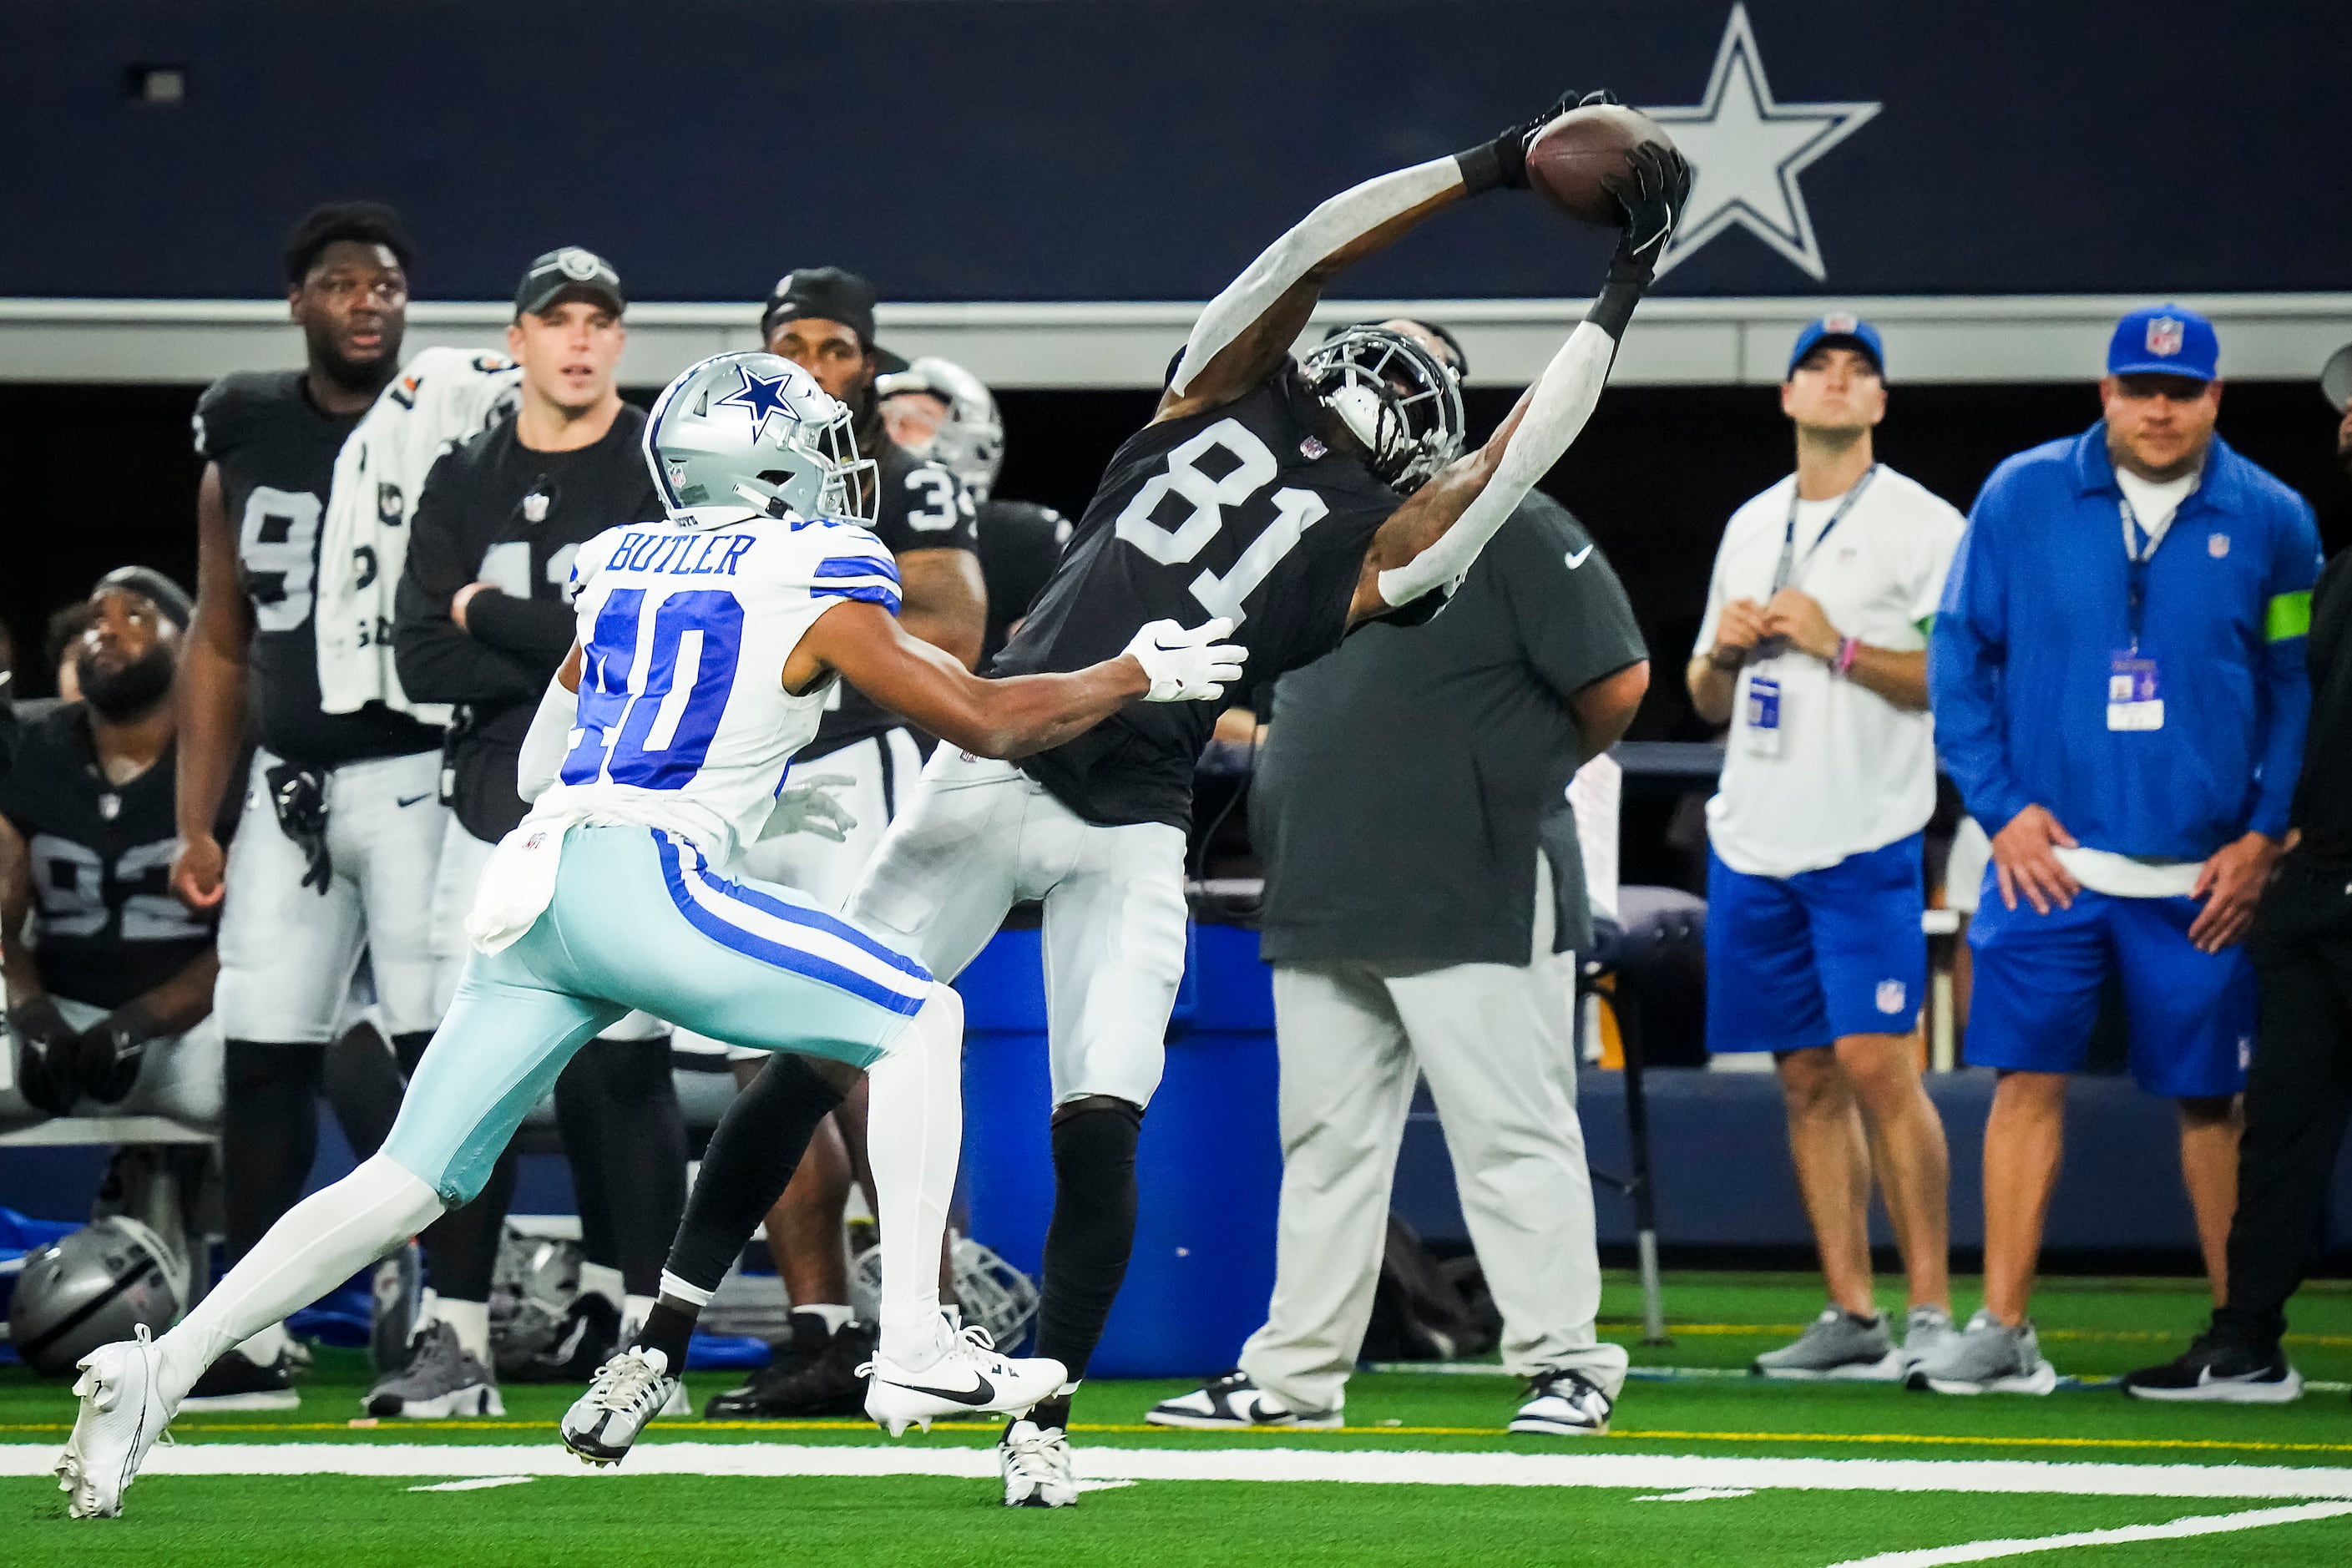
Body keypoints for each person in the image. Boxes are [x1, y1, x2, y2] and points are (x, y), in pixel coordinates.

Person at [599, 94, 1689, 1508]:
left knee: (1048, 1102)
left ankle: (956, 1392)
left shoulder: (1226, 414)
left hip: (1081, 800)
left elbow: (1318, 263)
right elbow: (1510, 437)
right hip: (1030, 771)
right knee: (958, 1084)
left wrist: (1490, 176)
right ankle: (692, 1343)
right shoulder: (1361, 512)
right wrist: (1617, 283)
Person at [54, 349, 1245, 1521]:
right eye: (814, 454)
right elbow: (985, 718)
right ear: (764, 471)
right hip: (647, 882)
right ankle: (918, 1341)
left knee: (408, 1177)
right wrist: (1133, 671)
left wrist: (730, 774)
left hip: (538, 889)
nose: (837, 474)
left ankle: (165, 1365)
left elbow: (536, 762)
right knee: (918, 1014)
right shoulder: (814, 565)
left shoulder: (623, 566)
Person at [1147, 318, 1650, 1438]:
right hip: (1325, 886)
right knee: (1323, 1145)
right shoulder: (1297, 537)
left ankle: (1566, 1363)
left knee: (1512, 1135)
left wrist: (1503, 779)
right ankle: (1294, 1374)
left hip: (1476, 878)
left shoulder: (1511, 518)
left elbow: (1616, 681)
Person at [1924, 305, 2320, 1394]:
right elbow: (1958, 658)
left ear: (2214, 398)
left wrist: (2262, 831)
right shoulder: (2020, 493)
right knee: (2022, 1081)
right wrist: (1999, 807)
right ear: (2104, 392)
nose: (2157, 408)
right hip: (2044, 860)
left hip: (2204, 875)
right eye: (2137, 388)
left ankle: (2241, 1338)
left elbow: (2296, 686)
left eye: (2180, 390)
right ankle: (2002, 1328)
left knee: (2211, 1103)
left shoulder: (2278, 518)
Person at [171, 203, 478, 1409]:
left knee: (443, 1054)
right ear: (298, 301)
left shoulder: (455, 419)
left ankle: (453, 1331)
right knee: (260, 1055)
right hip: (286, 785)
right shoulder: (243, 429)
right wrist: (196, 814)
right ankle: (246, 1336)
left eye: (388, 284)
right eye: (343, 283)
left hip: (419, 774)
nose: (368, 302)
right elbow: (219, 636)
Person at [680, 268, 992, 1422]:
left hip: (851, 768)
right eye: (791, 343)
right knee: (755, 1061)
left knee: (867, 1049)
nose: (812, 366)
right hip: (733, 779)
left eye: (836, 347)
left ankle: (921, 1316)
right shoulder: (714, 478)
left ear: (868, 363)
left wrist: (805, 619)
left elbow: (958, 627)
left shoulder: (900, 481)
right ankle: (818, 1332)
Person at [384, 247, 687, 1414]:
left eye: (599, 319)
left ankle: (637, 1331)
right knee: (474, 1069)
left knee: (626, 1066)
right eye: (553, 319)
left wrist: (491, 612)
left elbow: (655, 640)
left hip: (627, 799)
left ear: (619, 339)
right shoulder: (465, 471)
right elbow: (420, 654)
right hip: (492, 805)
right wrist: (563, 635)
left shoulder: (661, 466)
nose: (577, 339)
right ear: (515, 339)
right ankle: (456, 1336)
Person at [1686, 316, 1965, 1380]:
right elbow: (1706, 698)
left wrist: (1834, 643)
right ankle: (1853, 1313)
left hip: (1865, 833)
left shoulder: (1926, 525)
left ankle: (1934, 1312)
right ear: (1789, 396)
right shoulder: (1750, 525)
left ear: (1881, 404)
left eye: (1860, 374)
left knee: (1879, 1068)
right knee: (1803, 1076)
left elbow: (1952, 679)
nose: (1839, 385)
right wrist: (1727, 647)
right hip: (1754, 836)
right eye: (1819, 369)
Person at [2121, 343, 2352, 1402]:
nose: (2346, 425)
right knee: (2282, 1131)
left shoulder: (2301, 540)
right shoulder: (2337, 566)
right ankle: (2247, 1337)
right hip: (2314, 893)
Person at [3, 573, 224, 1129]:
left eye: (136, 615)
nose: (107, 629)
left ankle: (231, 1213)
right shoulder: (28, 746)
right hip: (56, 1027)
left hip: (186, 1036)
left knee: (265, 1049)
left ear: (190, 642)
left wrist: (138, 1023)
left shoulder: (234, 757)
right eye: (97, 617)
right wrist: (33, 1016)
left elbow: (255, 942)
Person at [879, 356, 1070, 664]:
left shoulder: (1020, 535)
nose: (892, 435)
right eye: (882, 422)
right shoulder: (824, 535)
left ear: (971, 440)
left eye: (916, 419)